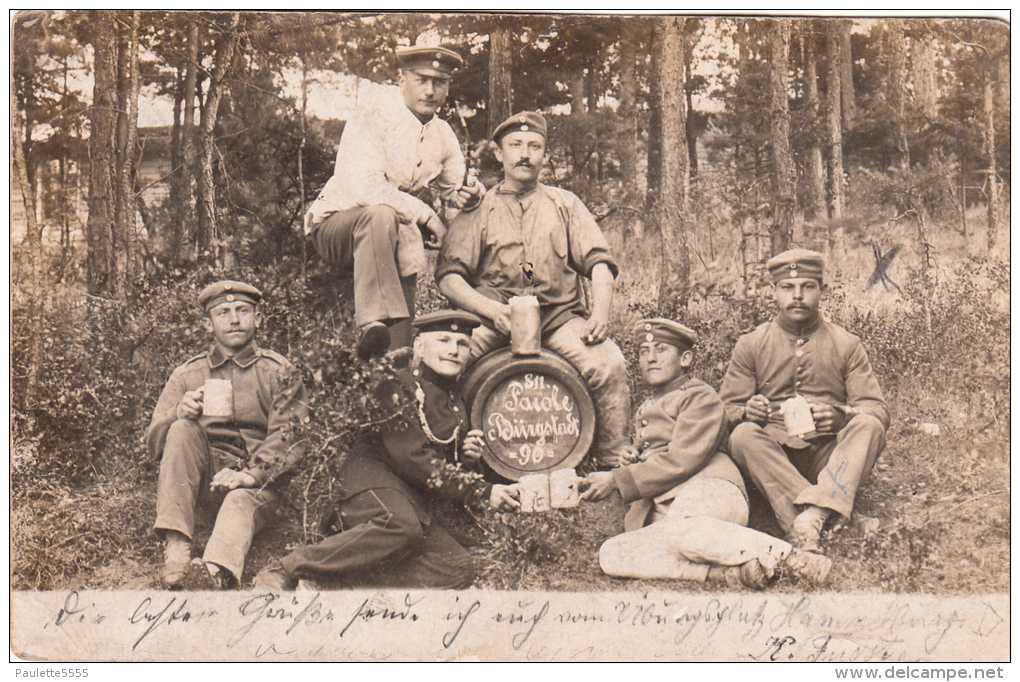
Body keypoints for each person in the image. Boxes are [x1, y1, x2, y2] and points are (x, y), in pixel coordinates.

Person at [253, 311, 520, 591]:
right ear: (419, 347)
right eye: (443, 340)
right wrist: (483, 491)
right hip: (372, 481)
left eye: (462, 343)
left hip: (414, 500)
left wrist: (467, 459)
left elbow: (440, 464)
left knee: (458, 567)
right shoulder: (395, 384)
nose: (453, 350)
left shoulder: (456, 402)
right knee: (400, 525)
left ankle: (338, 579)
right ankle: (285, 568)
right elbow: (413, 458)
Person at [435, 111, 631, 468]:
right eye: (515, 146)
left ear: (546, 156)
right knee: (444, 364)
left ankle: (612, 461)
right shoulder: (478, 206)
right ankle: (445, 462)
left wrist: (600, 312)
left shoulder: (565, 203)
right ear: (499, 154)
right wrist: (491, 311)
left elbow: (599, 262)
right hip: (492, 317)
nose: (525, 154)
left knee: (609, 364)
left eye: (534, 146)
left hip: (558, 317)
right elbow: (450, 276)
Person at [581, 318, 831, 588]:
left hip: (710, 490)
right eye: (644, 352)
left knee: (686, 530)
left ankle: (792, 558)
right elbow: (657, 451)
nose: (651, 358)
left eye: (661, 350)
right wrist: (633, 456)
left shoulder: (700, 396)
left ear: (685, 358)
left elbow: (682, 460)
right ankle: (731, 574)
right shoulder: (647, 406)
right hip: (670, 510)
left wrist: (617, 479)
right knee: (612, 553)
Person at [303, 44, 484, 360]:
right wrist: (427, 215)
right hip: (336, 225)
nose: (429, 90)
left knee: (400, 237)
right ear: (403, 80)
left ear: (447, 86)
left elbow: (455, 190)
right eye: (421, 80)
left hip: (392, 235)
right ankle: (372, 320)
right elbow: (366, 188)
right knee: (381, 216)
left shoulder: (442, 134)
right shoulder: (372, 117)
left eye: (438, 82)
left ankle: (395, 364)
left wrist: (470, 194)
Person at [719, 249, 889, 553]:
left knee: (869, 426)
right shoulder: (752, 344)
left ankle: (811, 518)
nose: (797, 296)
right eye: (787, 287)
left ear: (822, 290)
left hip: (830, 458)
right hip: (772, 459)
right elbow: (726, 412)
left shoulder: (846, 344)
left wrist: (843, 415)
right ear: (774, 292)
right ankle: (830, 515)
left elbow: (876, 409)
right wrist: (747, 412)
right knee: (742, 436)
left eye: (807, 286)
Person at [148, 281, 310, 589]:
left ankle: (213, 572)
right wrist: (177, 413)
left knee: (238, 500)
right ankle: (177, 547)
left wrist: (251, 475)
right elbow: (154, 444)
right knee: (181, 429)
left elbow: (292, 435)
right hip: (205, 488)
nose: (234, 319)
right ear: (207, 324)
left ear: (258, 319)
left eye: (243, 311)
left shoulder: (278, 371)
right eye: (223, 313)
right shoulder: (187, 374)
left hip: (259, 489)